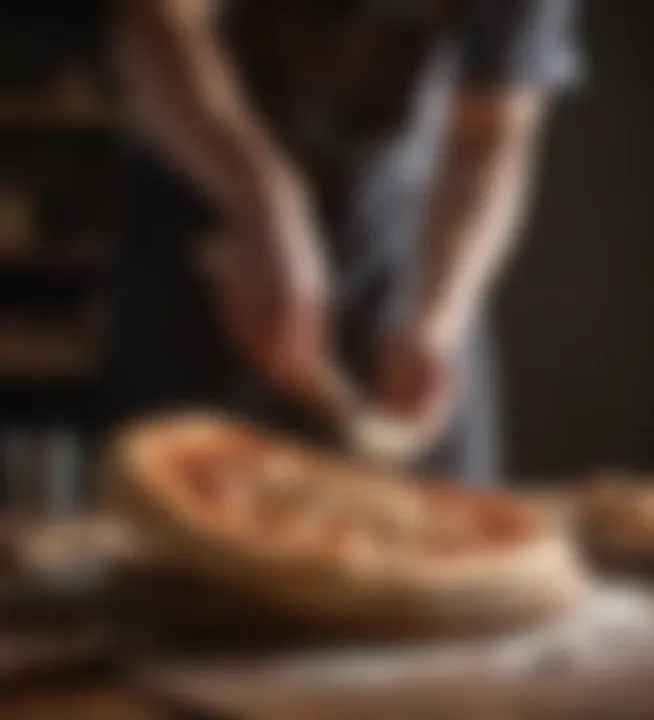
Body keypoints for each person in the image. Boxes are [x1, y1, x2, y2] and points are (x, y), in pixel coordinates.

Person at [108, 0, 580, 482]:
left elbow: (493, 134)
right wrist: (262, 203)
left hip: (409, 264)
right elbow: (154, 26)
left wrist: (436, 320)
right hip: (213, 252)